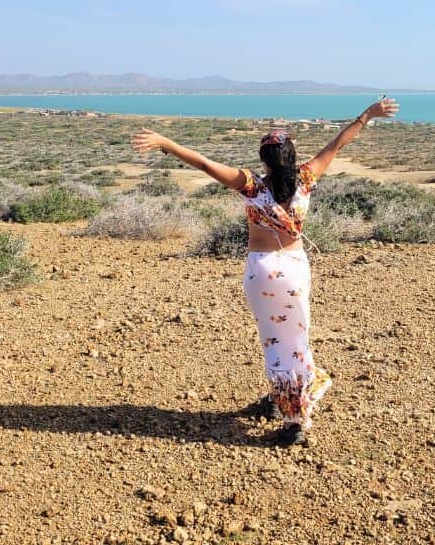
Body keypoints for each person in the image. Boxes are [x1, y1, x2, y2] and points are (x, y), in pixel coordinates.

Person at [131, 97, 400, 446]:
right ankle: (282, 402)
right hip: (294, 269)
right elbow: (338, 142)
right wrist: (368, 115)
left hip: (261, 272)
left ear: (264, 161)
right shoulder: (307, 177)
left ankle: (294, 420)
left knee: (275, 343)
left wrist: (166, 143)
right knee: (295, 341)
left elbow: (203, 163)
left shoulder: (251, 185)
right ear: (291, 157)